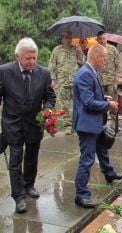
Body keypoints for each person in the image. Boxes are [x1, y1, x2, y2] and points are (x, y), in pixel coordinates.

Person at [0, 37, 56, 213]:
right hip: (12, 123)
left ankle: (29, 185)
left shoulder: (44, 73)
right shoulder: (4, 71)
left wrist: (46, 111)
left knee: (32, 157)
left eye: (34, 58)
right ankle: (18, 196)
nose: (32, 62)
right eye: (28, 58)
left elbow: (50, 97)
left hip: (34, 123)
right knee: (15, 160)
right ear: (18, 57)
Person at [73, 44, 122, 208]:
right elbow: (88, 102)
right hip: (87, 124)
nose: (105, 61)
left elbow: (90, 95)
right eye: (104, 58)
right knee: (87, 159)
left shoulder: (90, 72)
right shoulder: (84, 74)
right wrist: (108, 105)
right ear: (96, 57)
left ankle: (109, 174)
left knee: (102, 149)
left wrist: (103, 97)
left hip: (93, 122)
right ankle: (81, 195)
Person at [48, 31, 84, 135]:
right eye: (66, 37)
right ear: (62, 39)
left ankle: (78, 124)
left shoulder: (76, 49)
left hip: (75, 81)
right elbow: (51, 66)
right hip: (62, 82)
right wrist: (53, 80)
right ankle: (68, 126)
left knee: (78, 104)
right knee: (65, 106)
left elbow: (83, 64)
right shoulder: (57, 50)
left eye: (70, 37)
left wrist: (80, 54)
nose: (68, 39)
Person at [96, 31, 122, 120]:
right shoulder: (95, 50)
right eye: (100, 39)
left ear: (106, 38)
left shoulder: (113, 49)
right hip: (99, 80)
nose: (102, 41)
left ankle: (114, 120)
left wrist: (119, 76)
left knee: (113, 101)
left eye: (104, 38)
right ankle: (101, 120)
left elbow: (118, 63)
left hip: (111, 80)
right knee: (100, 101)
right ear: (97, 40)